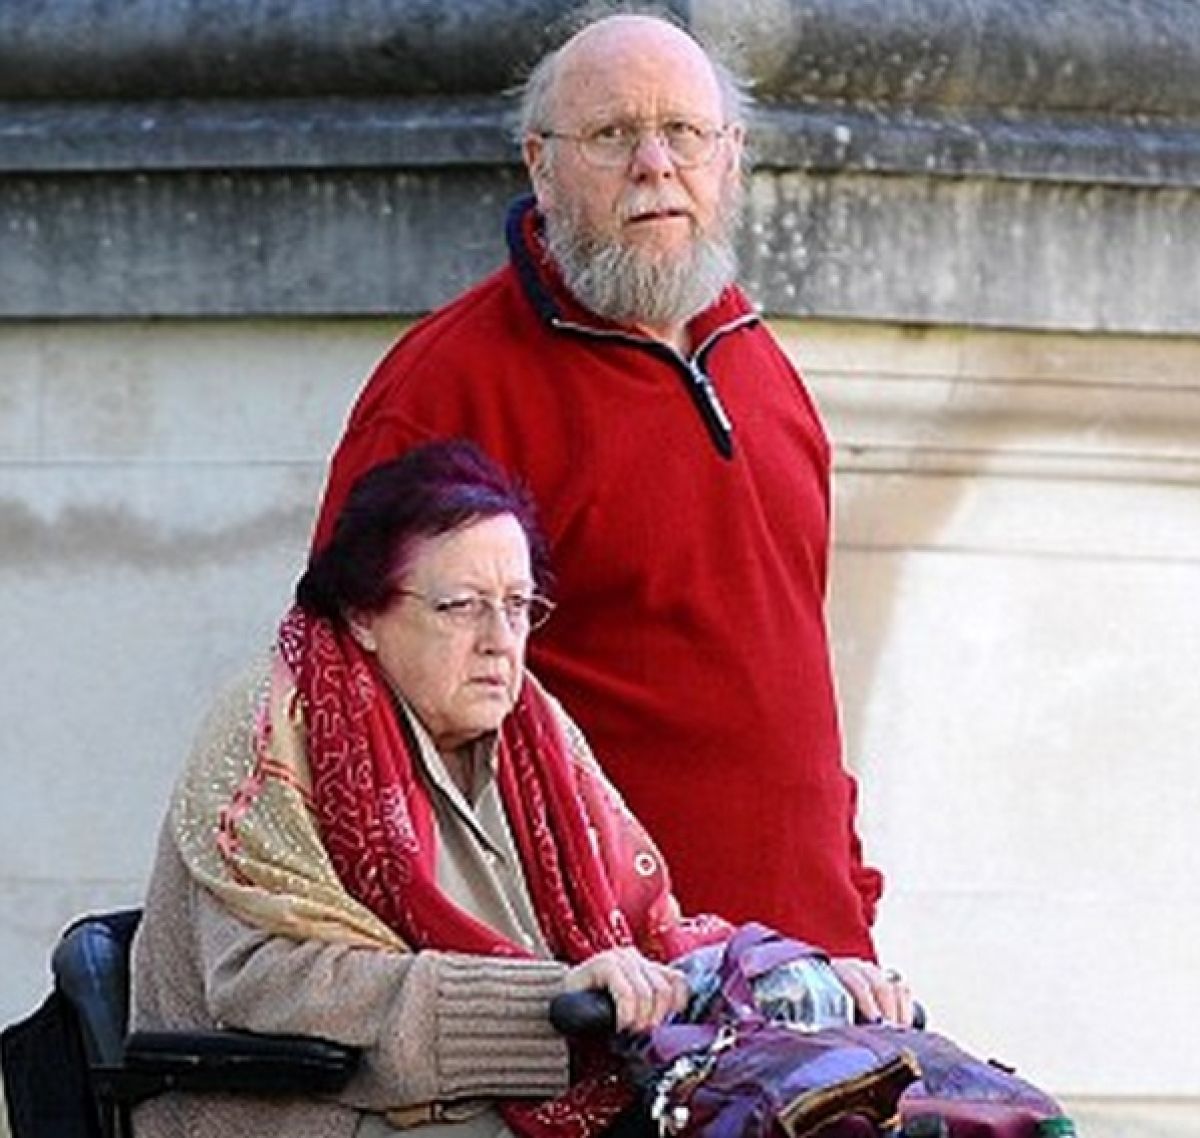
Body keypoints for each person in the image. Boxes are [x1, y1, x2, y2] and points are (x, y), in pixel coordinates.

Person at [131, 441, 914, 1138]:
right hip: (310, 1113)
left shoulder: (533, 728)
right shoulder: (277, 722)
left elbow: (649, 938)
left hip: (509, 1100)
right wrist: (542, 1002)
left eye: (517, 606)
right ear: (364, 613)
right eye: (462, 607)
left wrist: (797, 980)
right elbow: (264, 984)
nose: (499, 642)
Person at [311, 10, 884, 961]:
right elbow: (354, 721)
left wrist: (851, 912)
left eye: (684, 132)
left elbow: (797, 694)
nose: (655, 166)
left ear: (732, 156)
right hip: (606, 990)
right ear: (540, 165)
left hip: (814, 975)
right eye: (613, 134)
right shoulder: (447, 392)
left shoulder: (760, 364)